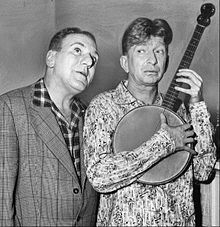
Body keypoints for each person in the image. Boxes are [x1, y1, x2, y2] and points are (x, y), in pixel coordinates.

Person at [83, 17, 216, 226]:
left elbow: (203, 170)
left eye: (159, 51)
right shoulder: (104, 106)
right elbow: (100, 177)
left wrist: (197, 105)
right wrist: (164, 142)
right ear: (125, 62)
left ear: (167, 61)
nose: (152, 60)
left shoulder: (180, 111)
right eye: (141, 51)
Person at [0, 27, 99, 226]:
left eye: (93, 58)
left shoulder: (93, 115)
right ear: (51, 59)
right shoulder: (10, 107)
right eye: (78, 50)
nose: (89, 62)